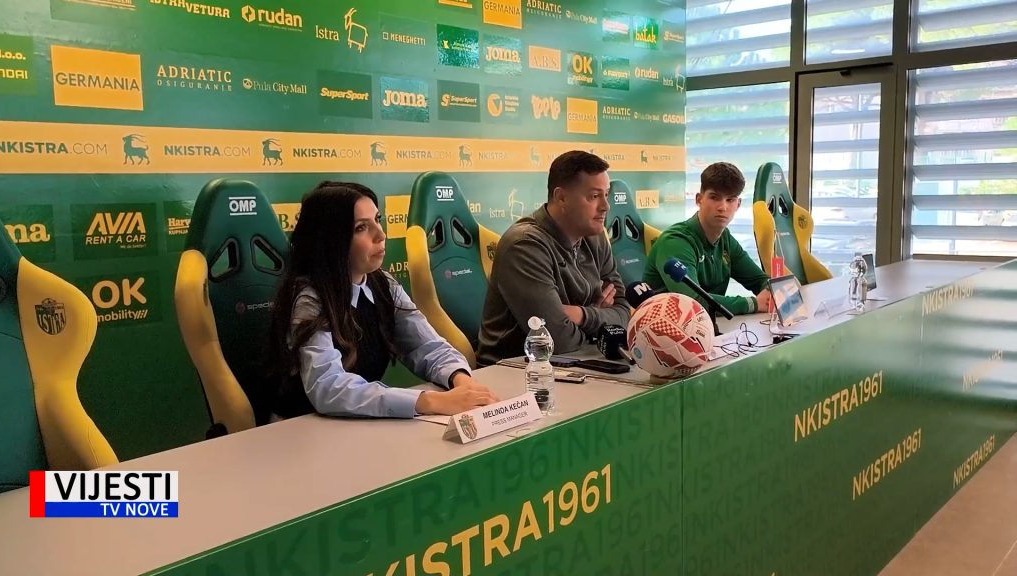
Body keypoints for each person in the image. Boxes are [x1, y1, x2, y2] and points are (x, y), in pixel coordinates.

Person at [269, 181, 499, 419]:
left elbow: (426, 346)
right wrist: (428, 401)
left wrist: (461, 380)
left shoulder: (384, 284)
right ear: (331, 239)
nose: (381, 235)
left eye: (377, 220)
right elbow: (328, 387)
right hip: (301, 427)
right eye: (361, 227)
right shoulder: (309, 299)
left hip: (357, 423)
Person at [477, 150, 631, 366]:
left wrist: (581, 315)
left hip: (580, 361)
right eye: (594, 196)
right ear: (562, 198)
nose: (606, 206)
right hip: (516, 370)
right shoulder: (524, 245)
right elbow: (558, 341)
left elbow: (624, 313)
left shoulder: (594, 235)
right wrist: (599, 319)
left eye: (606, 194)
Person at [644, 162, 771, 315]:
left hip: (707, 325)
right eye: (714, 198)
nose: (722, 207)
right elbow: (693, 303)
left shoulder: (725, 239)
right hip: (665, 326)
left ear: (738, 205)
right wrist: (753, 304)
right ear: (699, 199)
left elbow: (760, 281)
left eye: (730, 200)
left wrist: (774, 293)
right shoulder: (675, 241)